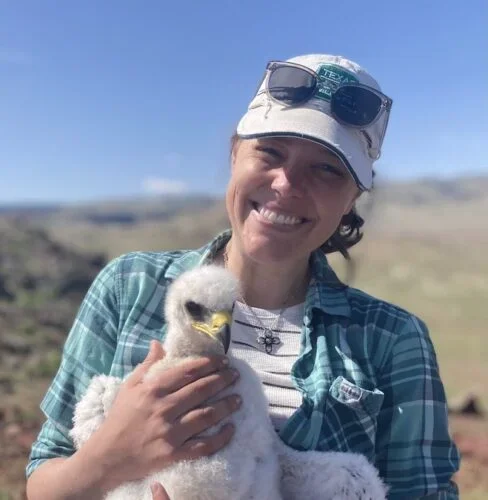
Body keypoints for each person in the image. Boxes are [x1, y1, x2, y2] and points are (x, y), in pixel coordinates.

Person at [25, 54, 460, 499]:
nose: (286, 184)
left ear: (353, 198)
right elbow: (44, 482)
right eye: (270, 152)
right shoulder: (129, 287)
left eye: (327, 168)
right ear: (235, 154)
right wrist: (110, 457)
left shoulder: (391, 339)